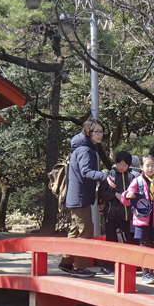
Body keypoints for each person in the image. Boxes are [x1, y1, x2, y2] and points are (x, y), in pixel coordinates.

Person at [58, 119, 114, 278]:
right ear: (88, 132)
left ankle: (67, 263)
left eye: (101, 131)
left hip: (76, 197)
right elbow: (86, 171)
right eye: (97, 131)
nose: (100, 134)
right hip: (80, 198)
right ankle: (79, 267)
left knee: (75, 231)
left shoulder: (82, 148)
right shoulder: (86, 150)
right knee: (85, 232)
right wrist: (104, 176)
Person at [121, 155, 154, 285]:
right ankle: (145, 273)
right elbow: (125, 199)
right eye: (147, 165)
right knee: (144, 246)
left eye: (152, 165)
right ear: (141, 167)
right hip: (142, 220)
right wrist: (127, 195)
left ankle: (151, 270)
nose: (150, 168)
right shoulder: (137, 181)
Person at [98, 151, 136, 274]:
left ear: (129, 165)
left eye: (125, 165)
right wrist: (115, 195)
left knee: (126, 240)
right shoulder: (110, 176)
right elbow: (101, 193)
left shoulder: (132, 177)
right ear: (116, 163)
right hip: (111, 214)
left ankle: (125, 266)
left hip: (126, 215)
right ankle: (106, 266)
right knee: (110, 240)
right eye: (119, 164)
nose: (121, 167)